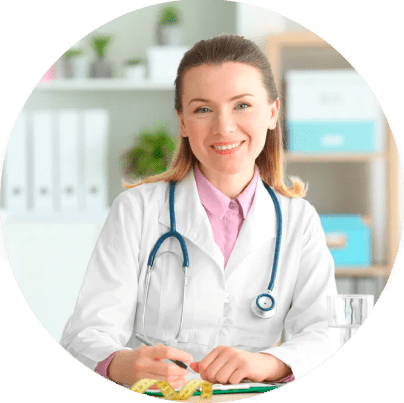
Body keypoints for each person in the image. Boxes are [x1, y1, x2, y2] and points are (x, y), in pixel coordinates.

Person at [60, 34, 338, 388]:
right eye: (203, 109)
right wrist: (123, 364)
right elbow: (85, 335)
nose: (224, 127)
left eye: (242, 105)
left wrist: (267, 363)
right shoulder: (136, 211)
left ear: (272, 112)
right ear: (182, 122)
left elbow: (324, 334)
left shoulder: (299, 221)